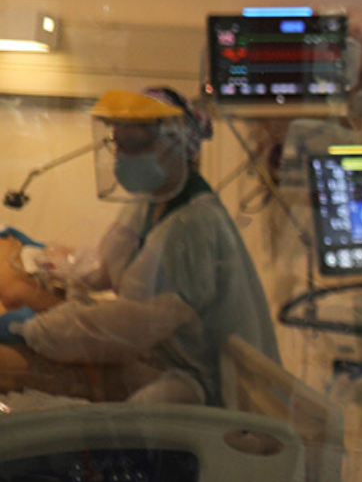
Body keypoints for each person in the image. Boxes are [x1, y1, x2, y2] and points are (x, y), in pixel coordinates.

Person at [1, 88, 279, 403]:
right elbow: (103, 268)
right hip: (165, 361)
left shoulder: (193, 225)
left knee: (124, 417)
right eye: (117, 143)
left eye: (135, 144)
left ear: (177, 144)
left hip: (204, 387)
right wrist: (46, 258)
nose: (122, 156)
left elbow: (131, 325)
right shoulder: (152, 201)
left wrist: (32, 330)